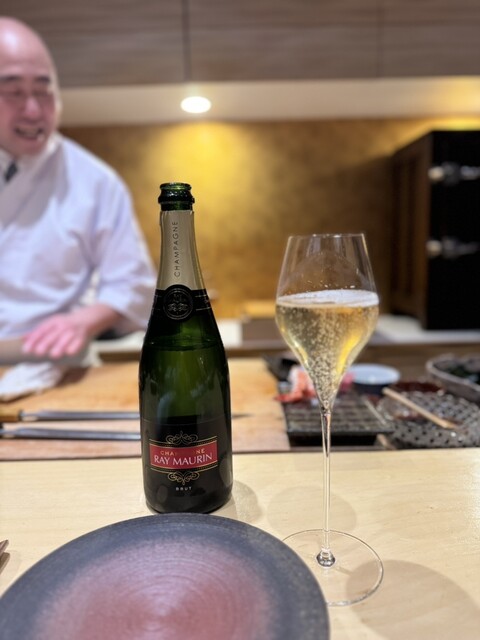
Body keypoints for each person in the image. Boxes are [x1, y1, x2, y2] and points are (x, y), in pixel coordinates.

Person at [0, 17, 156, 362]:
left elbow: (134, 285)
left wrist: (82, 322)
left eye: (44, 91)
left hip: (57, 366)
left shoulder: (96, 181)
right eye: (13, 92)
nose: (33, 110)